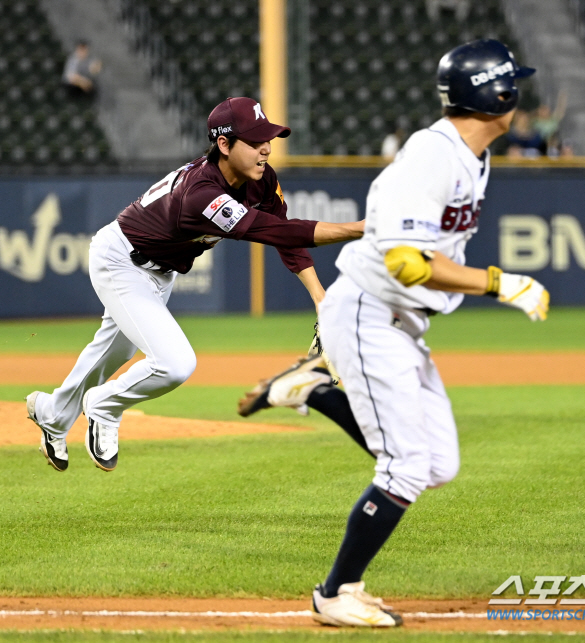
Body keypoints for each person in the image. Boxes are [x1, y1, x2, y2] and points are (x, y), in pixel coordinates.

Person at [238, 40, 549, 628]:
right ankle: (336, 593)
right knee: (404, 467)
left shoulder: (471, 155)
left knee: (439, 466)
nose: (520, 95)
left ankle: (312, 390)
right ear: (497, 95)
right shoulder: (434, 156)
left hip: (401, 320)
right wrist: (500, 283)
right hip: (369, 311)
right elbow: (408, 262)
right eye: (514, 85)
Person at [26, 97, 364, 473]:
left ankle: (52, 414)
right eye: (255, 141)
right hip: (121, 259)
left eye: (268, 137)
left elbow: (288, 238)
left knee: (113, 353)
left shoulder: (261, 179)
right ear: (224, 145)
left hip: (160, 271)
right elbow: (275, 231)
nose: (266, 148)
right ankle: (104, 405)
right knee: (174, 363)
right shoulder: (202, 192)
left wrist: (320, 297)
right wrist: (359, 229)